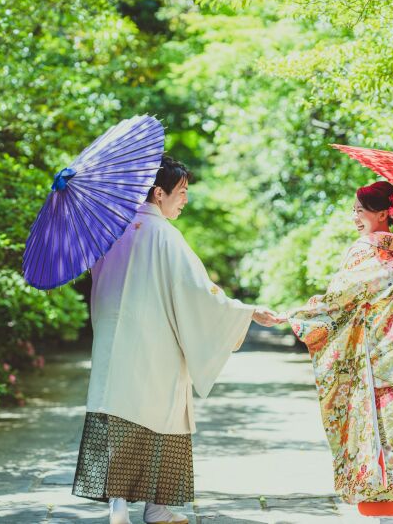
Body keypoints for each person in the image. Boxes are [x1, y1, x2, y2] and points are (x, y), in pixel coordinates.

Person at [72, 155, 281, 524]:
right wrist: (245, 311)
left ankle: (120, 506)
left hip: (113, 345)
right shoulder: (165, 235)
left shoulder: (112, 232)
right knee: (159, 417)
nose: (184, 200)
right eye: (181, 192)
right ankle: (156, 508)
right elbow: (198, 292)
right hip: (155, 347)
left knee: (117, 414)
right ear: (158, 193)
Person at [279, 181, 393, 524]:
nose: (354, 216)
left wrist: (298, 317)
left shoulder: (363, 252)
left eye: (360, 209)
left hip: (381, 366)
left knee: (381, 438)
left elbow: (338, 299)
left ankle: (387, 517)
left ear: (384, 213)